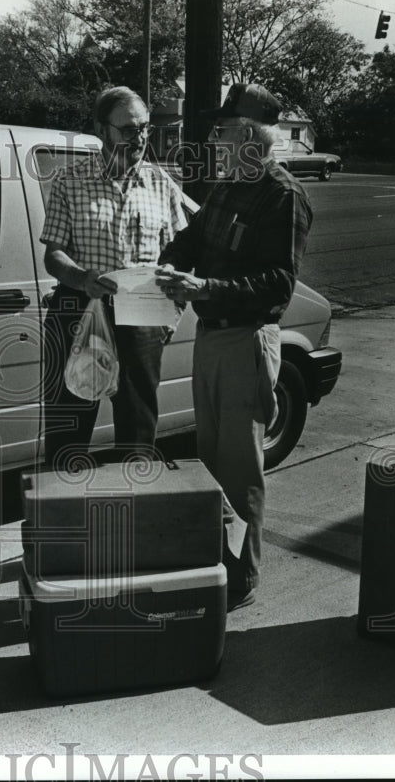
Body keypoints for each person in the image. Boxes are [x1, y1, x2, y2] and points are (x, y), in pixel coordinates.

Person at [156, 83, 313, 610]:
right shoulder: (228, 187)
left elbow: (278, 285)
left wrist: (207, 289)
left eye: (221, 130)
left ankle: (241, 578)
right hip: (212, 338)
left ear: (248, 135)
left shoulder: (282, 195)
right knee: (208, 461)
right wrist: (168, 263)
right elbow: (193, 239)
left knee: (240, 468)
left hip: (247, 342)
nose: (214, 138)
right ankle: (214, 564)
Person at [41, 86, 189, 468]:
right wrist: (80, 276)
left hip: (143, 317)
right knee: (68, 429)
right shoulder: (69, 182)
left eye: (143, 129)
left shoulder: (161, 184)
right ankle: (66, 517)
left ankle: (136, 516)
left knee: (138, 431)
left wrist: (170, 315)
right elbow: (53, 255)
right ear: (101, 130)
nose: (137, 139)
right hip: (79, 313)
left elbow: (180, 254)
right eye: (127, 130)